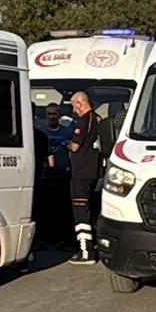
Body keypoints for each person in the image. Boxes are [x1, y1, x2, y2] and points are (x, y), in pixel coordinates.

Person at [66, 91, 103, 265]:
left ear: (80, 103)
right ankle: (93, 246)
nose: (74, 111)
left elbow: (75, 146)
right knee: (92, 210)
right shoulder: (98, 119)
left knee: (81, 211)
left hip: (81, 173)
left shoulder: (83, 120)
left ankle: (85, 251)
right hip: (95, 171)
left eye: (74, 106)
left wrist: (64, 143)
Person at [36, 103, 73, 249]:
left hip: (61, 175)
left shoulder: (67, 131)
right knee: (43, 210)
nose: (52, 117)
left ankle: (62, 241)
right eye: (49, 114)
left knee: (62, 210)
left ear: (59, 115)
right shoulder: (41, 131)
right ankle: (42, 241)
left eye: (54, 114)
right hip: (44, 176)